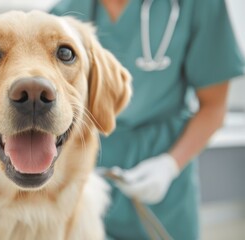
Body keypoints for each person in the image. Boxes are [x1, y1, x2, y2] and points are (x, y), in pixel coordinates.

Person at [51, 0, 244, 239]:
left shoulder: (198, 5)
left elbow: (214, 106)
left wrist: (169, 165)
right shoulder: (64, 16)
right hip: (88, 176)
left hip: (166, 177)